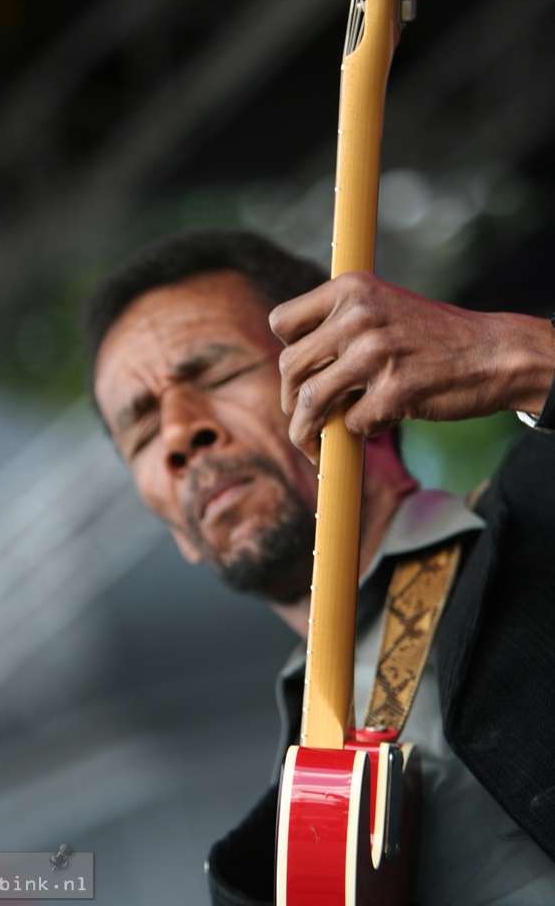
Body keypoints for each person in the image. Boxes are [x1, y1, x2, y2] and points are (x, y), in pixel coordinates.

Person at [82, 228, 555, 905]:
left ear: (357, 365)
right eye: (142, 432)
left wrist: (527, 356)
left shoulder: (537, 513)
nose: (181, 434)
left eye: (215, 374)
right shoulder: (257, 867)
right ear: (175, 532)